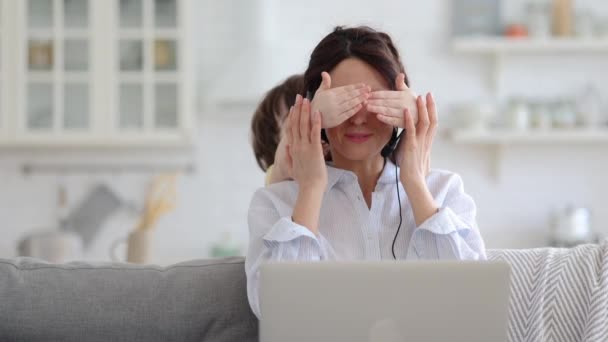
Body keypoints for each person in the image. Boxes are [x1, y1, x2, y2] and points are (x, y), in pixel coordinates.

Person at [245, 26, 486, 318]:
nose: (359, 118)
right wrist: (311, 189)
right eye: (345, 102)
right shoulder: (276, 203)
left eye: (375, 101)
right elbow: (277, 312)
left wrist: (414, 183)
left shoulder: (445, 191)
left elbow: (470, 305)